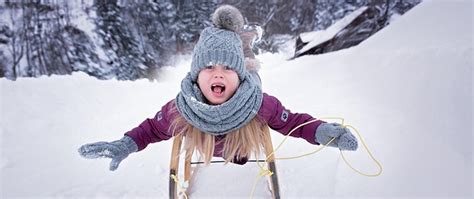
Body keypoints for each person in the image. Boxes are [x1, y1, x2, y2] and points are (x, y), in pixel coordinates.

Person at [78, 5, 358, 171]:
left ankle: (243, 48)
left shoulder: (258, 104)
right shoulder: (182, 107)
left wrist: (323, 132)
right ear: (196, 75)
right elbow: (152, 129)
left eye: (227, 69)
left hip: (242, 132)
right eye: (209, 68)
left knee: (239, 154)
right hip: (209, 128)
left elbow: (294, 123)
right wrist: (125, 144)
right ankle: (239, 43)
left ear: (239, 75)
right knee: (230, 59)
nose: (218, 75)